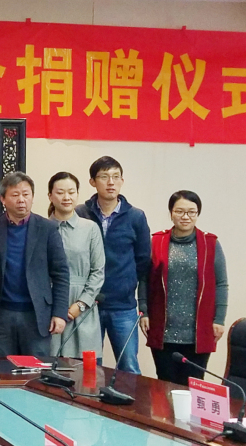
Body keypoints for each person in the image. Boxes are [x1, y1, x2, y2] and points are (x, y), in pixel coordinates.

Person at [139, 191, 228, 385]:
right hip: (163, 328)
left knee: (194, 385)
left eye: (191, 212)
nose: (185, 216)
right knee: (164, 384)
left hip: (198, 331)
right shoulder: (157, 242)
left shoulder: (211, 244)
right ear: (171, 213)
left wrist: (219, 319)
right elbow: (144, 279)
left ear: (198, 214)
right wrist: (144, 311)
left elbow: (221, 283)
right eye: (179, 211)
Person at [0, 171, 70, 357]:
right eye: (15, 195)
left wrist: (59, 313)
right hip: (1, 314)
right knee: (0, 367)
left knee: (36, 369)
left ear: (32, 197)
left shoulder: (47, 228)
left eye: (26, 194)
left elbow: (61, 274)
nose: (21, 200)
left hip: (36, 315)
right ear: (3, 199)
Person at [76, 156, 150, 374]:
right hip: (88, 304)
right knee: (88, 368)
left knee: (129, 367)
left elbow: (143, 261)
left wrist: (128, 286)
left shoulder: (136, 216)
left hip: (123, 305)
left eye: (116, 177)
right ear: (92, 182)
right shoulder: (81, 214)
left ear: (122, 181)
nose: (111, 182)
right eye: (104, 177)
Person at [46, 172, 105, 359]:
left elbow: (98, 271)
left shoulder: (90, 228)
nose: (66, 197)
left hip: (83, 306)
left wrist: (81, 304)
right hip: (50, 306)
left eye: (71, 192)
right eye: (60, 192)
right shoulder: (42, 228)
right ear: (50, 196)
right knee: (48, 364)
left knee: (84, 369)